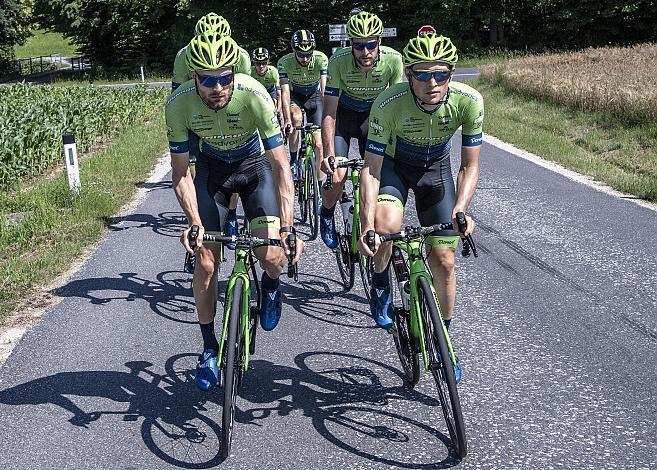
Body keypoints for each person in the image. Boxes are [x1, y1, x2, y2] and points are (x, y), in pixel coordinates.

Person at [166, 32, 303, 391]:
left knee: (272, 255)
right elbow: (180, 172)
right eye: (207, 80)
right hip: (213, 172)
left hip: (253, 168)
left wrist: (287, 227)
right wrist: (193, 222)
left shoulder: (254, 95)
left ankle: (270, 287)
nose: (217, 87)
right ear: (193, 77)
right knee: (206, 262)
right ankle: (210, 347)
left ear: (234, 74)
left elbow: (281, 166)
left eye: (224, 78)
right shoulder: (179, 103)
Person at [358, 32, 484, 380]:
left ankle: (443, 339)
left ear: (452, 74)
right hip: (394, 169)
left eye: (441, 74)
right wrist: (367, 225)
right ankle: (381, 281)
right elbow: (371, 169)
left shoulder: (468, 102)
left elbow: (469, 165)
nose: (432, 82)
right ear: (408, 74)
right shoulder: (387, 103)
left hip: (435, 170)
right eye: (423, 74)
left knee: (444, 258)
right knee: (387, 228)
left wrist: (461, 209)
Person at [318, 10, 403, 249]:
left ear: (379, 42)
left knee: (374, 175)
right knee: (337, 175)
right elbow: (329, 112)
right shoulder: (338, 61)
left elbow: (396, 106)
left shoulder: (393, 60)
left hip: (374, 120)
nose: (365, 52)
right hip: (344, 118)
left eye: (370, 45)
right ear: (350, 44)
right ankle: (326, 213)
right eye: (358, 46)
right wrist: (328, 153)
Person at [277, 30, 328, 181]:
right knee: (296, 118)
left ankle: (318, 187)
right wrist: (287, 120)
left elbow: (325, 90)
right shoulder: (284, 62)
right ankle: (293, 160)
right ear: (293, 50)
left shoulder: (321, 58)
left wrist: (329, 118)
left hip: (314, 97)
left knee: (318, 144)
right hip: (295, 97)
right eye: (301, 55)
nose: (305, 59)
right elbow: (285, 93)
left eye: (308, 55)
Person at [251, 47, 282, 120]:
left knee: (273, 106)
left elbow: (279, 94)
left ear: (267, 62)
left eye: (264, 63)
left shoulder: (273, 72)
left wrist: (278, 109)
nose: (261, 66)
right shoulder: (250, 72)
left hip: (270, 90)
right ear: (254, 62)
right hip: (256, 91)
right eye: (258, 63)